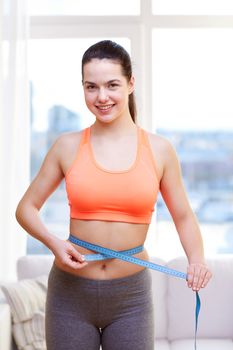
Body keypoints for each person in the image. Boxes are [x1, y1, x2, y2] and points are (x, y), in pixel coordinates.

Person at [15, 40, 212, 350]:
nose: (102, 97)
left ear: (131, 84)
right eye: (91, 87)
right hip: (70, 295)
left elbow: (184, 215)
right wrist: (54, 243)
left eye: (112, 85)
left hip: (131, 299)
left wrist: (197, 260)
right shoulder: (66, 146)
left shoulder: (159, 150)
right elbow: (25, 208)